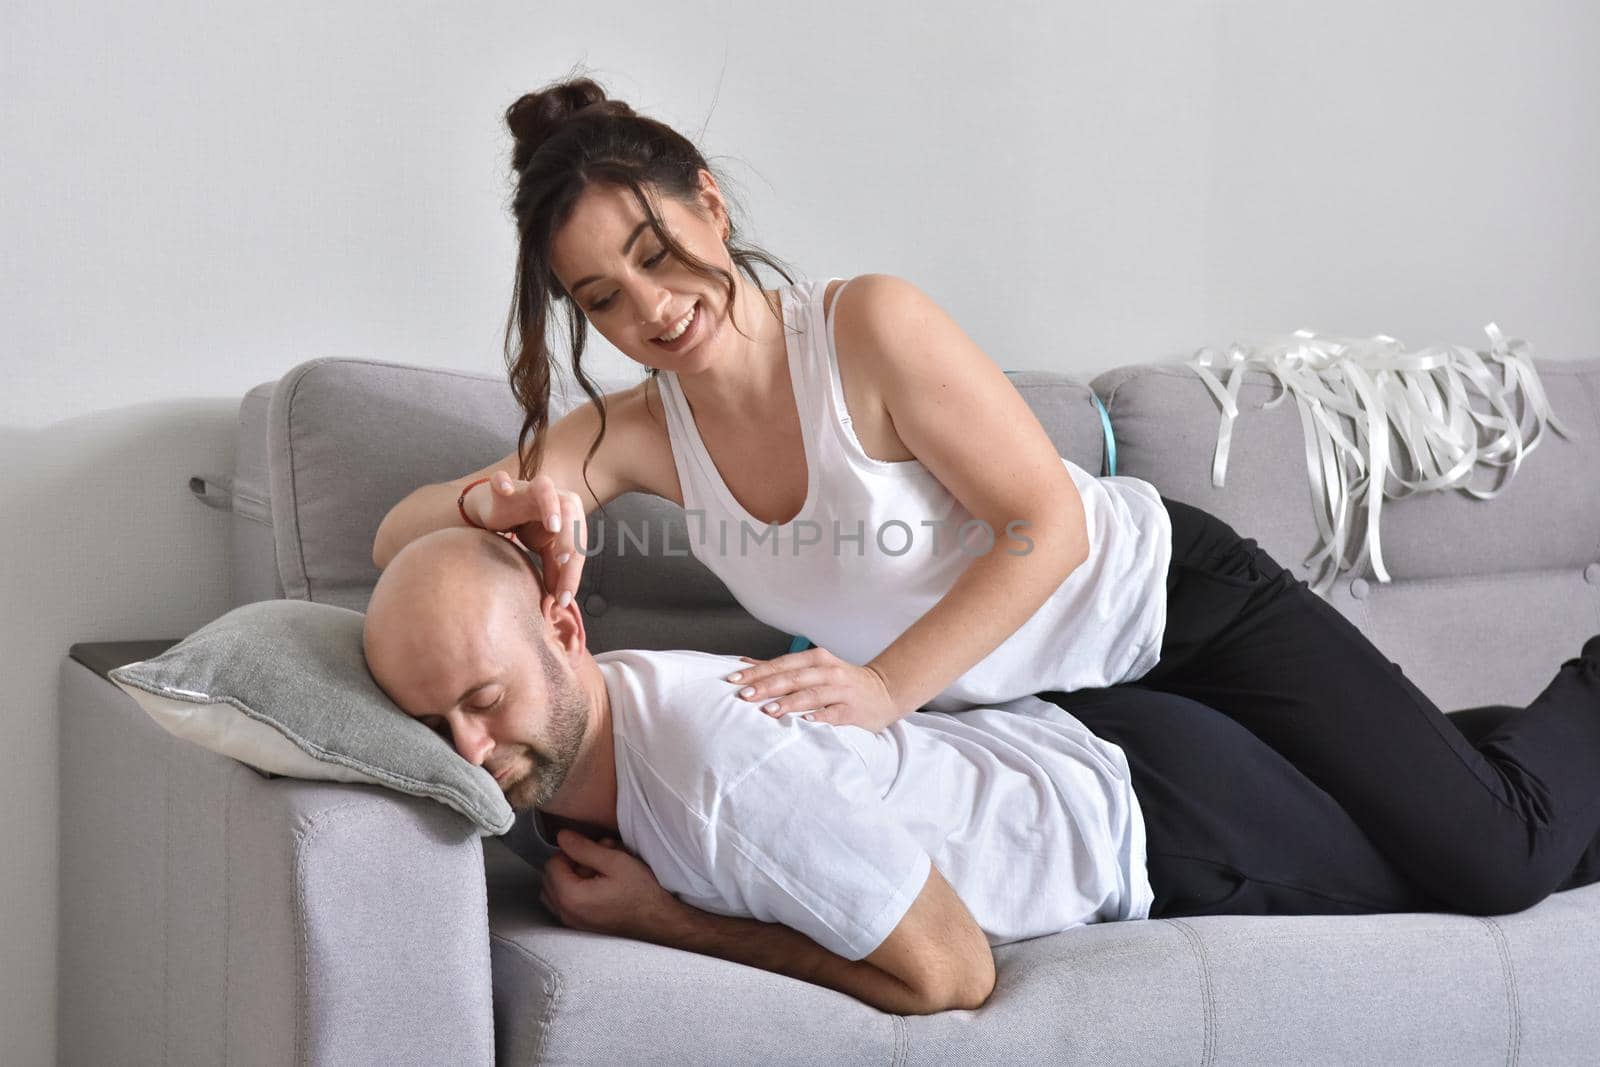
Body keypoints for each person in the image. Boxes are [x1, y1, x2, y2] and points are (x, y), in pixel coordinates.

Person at [373, 76, 1600, 919]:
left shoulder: (865, 330)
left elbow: (1048, 526)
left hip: (1177, 610)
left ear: (710, 200)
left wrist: (884, 686)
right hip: (1076, 716)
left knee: (1497, 858)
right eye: (598, 299)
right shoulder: (642, 433)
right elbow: (394, 536)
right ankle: (1444, 748)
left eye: (652, 254)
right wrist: (508, 503)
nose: (646, 310)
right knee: (1402, 856)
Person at [362, 528, 1600, 1015]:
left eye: (486, 701)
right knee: (1486, 798)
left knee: (1513, 848)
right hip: (1109, 743)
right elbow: (431, 559)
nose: (470, 750)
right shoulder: (586, 717)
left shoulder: (713, 775)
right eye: (437, 722)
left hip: (1158, 821)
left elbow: (949, 973)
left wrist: (663, 920)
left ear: (566, 633)